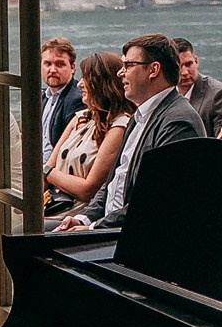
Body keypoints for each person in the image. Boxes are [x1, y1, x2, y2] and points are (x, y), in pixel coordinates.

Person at [59, 34, 203, 231]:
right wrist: (83, 218)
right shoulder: (139, 117)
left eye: (128, 66)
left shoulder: (178, 122)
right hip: (110, 229)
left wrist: (93, 228)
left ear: (153, 70)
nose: (121, 73)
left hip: (133, 238)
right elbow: (112, 182)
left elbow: (153, 202)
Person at [41, 50, 131, 224]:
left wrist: (49, 174)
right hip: (53, 204)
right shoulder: (80, 117)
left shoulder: (119, 127)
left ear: (102, 85)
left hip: (78, 213)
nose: (80, 84)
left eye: (87, 79)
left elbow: (88, 190)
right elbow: (49, 165)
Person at [175, 37, 222, 137]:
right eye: (179, 67)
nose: (184, 72)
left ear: (196, 61)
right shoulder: (165, 91)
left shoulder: (219, 94)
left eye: (189, 64)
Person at [37, 37, 82, 169]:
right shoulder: (43, 97)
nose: (52, 70)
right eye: (47, 64)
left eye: (60, 64)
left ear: (72, 68)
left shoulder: (76, 100)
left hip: (56, 176)